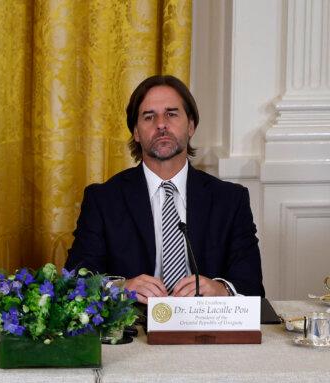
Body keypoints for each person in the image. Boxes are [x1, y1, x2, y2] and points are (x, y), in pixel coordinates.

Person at [65, 75, 264, 298]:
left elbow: (252, 284)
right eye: (149, 117)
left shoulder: (230, 200)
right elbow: (75, 280)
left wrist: (221, 290)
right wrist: (121, 287)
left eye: (171, 114)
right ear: (136, 133)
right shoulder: (103, 200)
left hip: (205, 324)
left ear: (190, 126)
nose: (161, 124)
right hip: (136, 326)